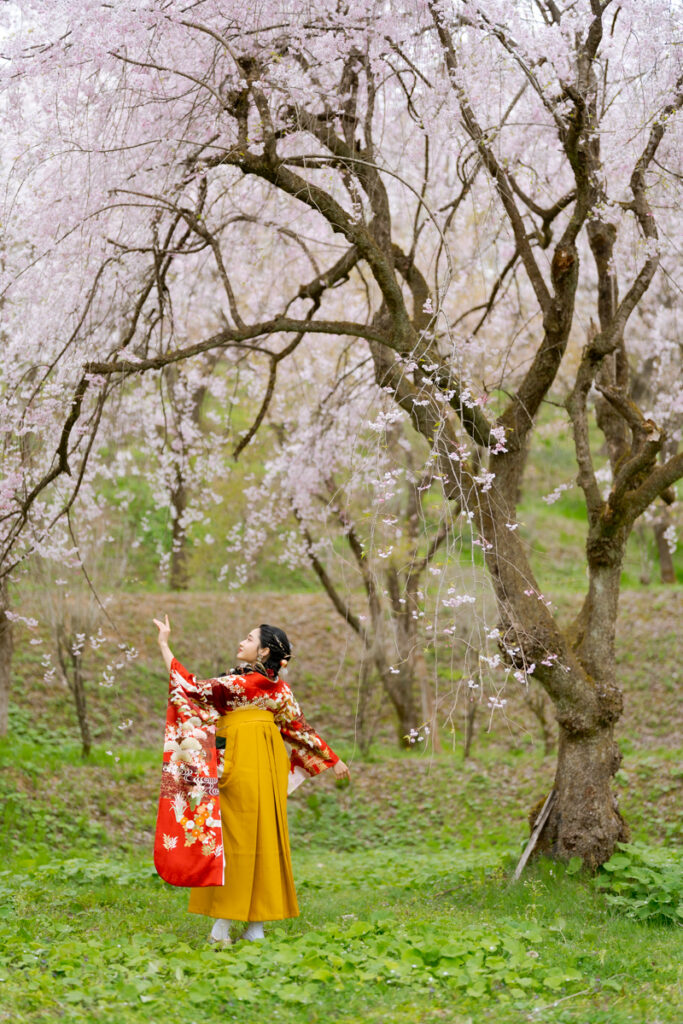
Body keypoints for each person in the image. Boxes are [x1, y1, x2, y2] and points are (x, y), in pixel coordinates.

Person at [152, 614, 350, 944]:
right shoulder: (232, 684)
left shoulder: (277, 691)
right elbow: (190, 690)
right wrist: (164, 644)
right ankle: (225, 924)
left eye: (249, 638)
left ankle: (253, 926)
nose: (241, 641)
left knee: (263, 837)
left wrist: (333, 757)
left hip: (261, 760)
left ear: (263, 652)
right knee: (235, 838)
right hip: (235, 761)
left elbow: (297, 727)